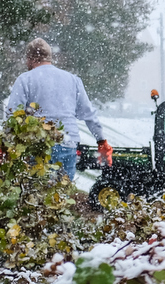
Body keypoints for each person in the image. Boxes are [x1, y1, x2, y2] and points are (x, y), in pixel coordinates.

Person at [6, 38, 112, 180]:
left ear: (30, 58)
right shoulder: (72, 80)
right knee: (61, 195)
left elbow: (12, 115)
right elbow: (88, 113)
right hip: (67, 143)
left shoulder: (25, 79)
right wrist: (101, 141)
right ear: (49, 57)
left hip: (37, 145)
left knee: (35, 194)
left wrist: (6, 144)